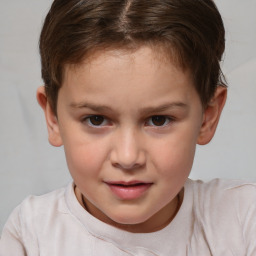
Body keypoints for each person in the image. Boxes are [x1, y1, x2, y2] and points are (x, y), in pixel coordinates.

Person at [0, 0, 255, 255]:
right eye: (96, 119)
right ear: (53, 117)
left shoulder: (243, 219)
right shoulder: (31, 235)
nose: (128, 157)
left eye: (158, 120)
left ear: (207, 118)